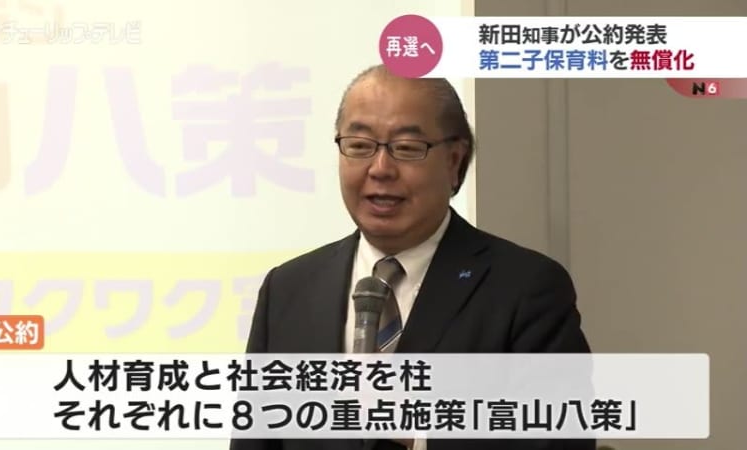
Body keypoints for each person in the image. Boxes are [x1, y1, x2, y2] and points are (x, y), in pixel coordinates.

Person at [230, 64, 595, 450]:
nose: (380, 169)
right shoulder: (288, 289)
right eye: (359, 145)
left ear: (454, 162)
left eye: (406, 148)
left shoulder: (525, 289)